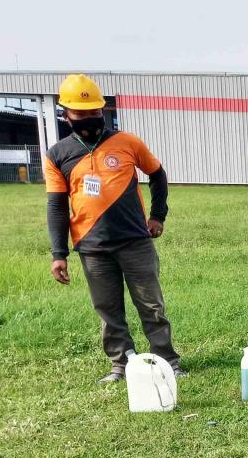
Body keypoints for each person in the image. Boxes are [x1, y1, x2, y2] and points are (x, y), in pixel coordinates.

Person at [44, 73, 185, 383]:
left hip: (135, 241)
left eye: (94, 112)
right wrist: (59, 254)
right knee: (108, 311)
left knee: (151, 305)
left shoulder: (127, 142)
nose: (89, 118)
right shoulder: (57, 155)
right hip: (92, 247)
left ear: (103, 110)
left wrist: (158, 216)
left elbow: (158, 175)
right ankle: (121, 365)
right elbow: (56, 205)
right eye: (80, 113)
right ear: (66, 113)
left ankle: (168, 362)